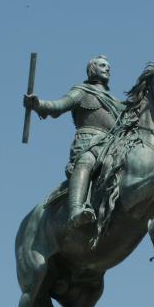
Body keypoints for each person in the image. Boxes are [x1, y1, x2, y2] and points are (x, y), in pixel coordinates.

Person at [23, 55, 124, 228]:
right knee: (86, 162)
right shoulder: (82, 91)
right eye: (102, 65)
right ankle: (75, 211)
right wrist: (38, 104)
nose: (107, 69)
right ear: (92, 69)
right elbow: (59, 106)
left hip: (113, 146)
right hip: (89, 143)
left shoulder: (117, 102)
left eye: (108, 66)